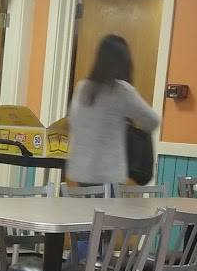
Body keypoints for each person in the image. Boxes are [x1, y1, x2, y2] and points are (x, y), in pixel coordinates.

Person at [66, 34, 160, 188]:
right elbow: (153, 121)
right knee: (107, 205)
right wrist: (131, 130)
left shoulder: (82, 88)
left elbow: (73, 120)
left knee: (85, 204)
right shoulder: (122, 91)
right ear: (125, 62)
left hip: (81, 170)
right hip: (108, 172)